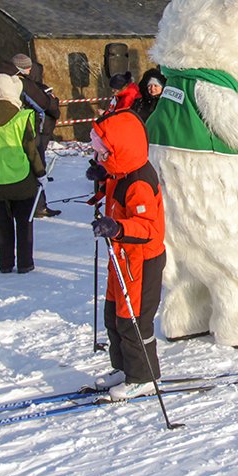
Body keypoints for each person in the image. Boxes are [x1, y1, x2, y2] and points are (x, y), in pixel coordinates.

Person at [88, 109, 167, 400]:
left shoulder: (139, 180)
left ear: (121, 148)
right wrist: (100, 180)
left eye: (104, 152)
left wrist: (116, 227)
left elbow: (147, 228)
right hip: (121, 257)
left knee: (133, 319)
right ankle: (123, 368)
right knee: (114, 315)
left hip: (142, 260)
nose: (100, 157)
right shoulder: (120, 171)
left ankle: (143, 376)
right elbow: (112, 195)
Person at [0, 73, 45, 273]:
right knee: (24, 223)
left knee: (2, 223)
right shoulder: (22, 117)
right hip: (22, 178)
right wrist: (40, 174)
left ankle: (5, 263)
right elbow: (31, 150)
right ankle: (25, 263)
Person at [0, 54, 61, 215]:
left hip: (3, 130)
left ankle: (11, 204)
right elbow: (43, 104)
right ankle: (38, 206)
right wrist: (53, 102)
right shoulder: (22, 83)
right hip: (25, 127)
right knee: (35, 165)